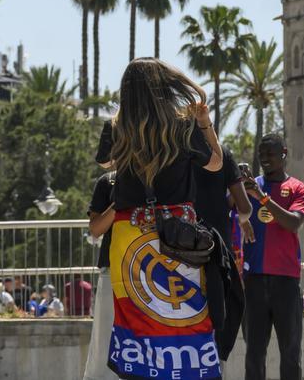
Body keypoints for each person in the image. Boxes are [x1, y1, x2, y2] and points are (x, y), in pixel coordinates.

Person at [105, 58, 223, 380]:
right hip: (178, 234)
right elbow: (215, 164)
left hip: (130, 235)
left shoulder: (117, 126)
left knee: (135, 314)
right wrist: (203, 123)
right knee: (184, 314)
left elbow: (105, 163)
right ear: (164, 86)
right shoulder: (183, 126)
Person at [242, 133, 304, 380]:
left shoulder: (298, 188)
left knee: (290, 354)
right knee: (254, 354)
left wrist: (262, 197)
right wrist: (236, 185)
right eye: (261, 154)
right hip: (254, 280)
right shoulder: (249, 187)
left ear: (284, 153)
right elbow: (228, 205)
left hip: (286, 281)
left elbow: (293, 223)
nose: (265, 159)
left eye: (270, 153)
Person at [191, 146, 253, 364]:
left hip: (182, 248)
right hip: (217, 251)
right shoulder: (224, 155)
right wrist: (242, 216)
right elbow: (244, 208)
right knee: (218, 320)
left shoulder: (175, 153)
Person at [83, 170, 119, 380]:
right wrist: (119, 202)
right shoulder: (109, 181)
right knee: (105, 341)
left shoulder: (160, 175)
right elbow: (95, 229)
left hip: (150, 269)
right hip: (113, 268)